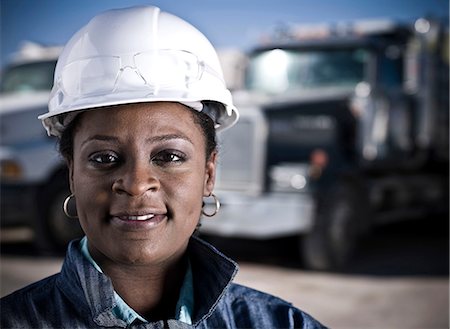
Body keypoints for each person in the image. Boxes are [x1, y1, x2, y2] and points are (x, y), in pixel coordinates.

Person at [1, 5, 326, 328]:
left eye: (169, 156)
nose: (137, 183)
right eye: (104, 158)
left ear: (208, 174)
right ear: (72, 173)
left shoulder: (282, 323)